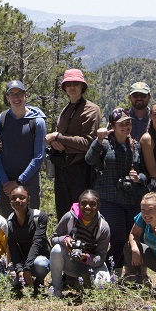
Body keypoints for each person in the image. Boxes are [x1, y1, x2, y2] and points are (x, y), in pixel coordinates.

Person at [85, 108, 147, 271]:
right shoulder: (104, 144)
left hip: (131, 199)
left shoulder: (135, 145)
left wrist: (138, 178)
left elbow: (145, 173)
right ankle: (110, 271)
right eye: (121, 124)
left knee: (133, 238)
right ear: (112, 126)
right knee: (118, 239)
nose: (126, 127)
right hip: (109, 199)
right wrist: (98, 139)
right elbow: (89, 159)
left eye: (128, 123)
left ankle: (132, 273)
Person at [45, 69, 101, 219]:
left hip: (80, 170)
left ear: (82, 86)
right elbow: (60, 136)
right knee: (63, 214)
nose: (72, 87)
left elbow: (88, 143)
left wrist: (58, 137)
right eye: (68, 84)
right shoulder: (66, 109)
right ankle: (64, 241)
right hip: (62, 169)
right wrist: (55, 141)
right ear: (64, 88)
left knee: (82, 213)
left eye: (76, 83)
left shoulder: (91, 110)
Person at [0, 80, 47, 217]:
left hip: (29, 183)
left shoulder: (37, 122)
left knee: (30, 222)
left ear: (25, 95)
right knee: (8, 223)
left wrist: (18, 182)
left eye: (19, 94)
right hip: (6, 184)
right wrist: (6, 182)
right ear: (7, 98)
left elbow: (38, 156)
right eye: (12, 94)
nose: (16, 98)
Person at [49, 189, 111, 298]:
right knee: (57, 250)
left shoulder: (103, 227)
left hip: (92, 265)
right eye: (84, 203)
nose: (87, 207)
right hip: (72, 264)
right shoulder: (69, 218)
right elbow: (53, 239)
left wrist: (86, 258)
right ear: (79, 204)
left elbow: (101, 257)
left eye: (92, 204)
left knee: (103, 286)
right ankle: (56, 291)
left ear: (98, 206)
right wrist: (64, 239)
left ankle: (88, 286)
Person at [5, 185, 50, 295]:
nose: (17, 200)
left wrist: (27, 268)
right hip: (22, 260)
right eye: (13, 198)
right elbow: (13, 248)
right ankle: (21, 284)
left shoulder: (40, 217)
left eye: (22, 197)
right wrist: (20, 269)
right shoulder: (9, 222)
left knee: (41, 264)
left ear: (28, 199)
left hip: (38, 258)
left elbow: (37, 243)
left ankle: (39, 284)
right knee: (11, 279)